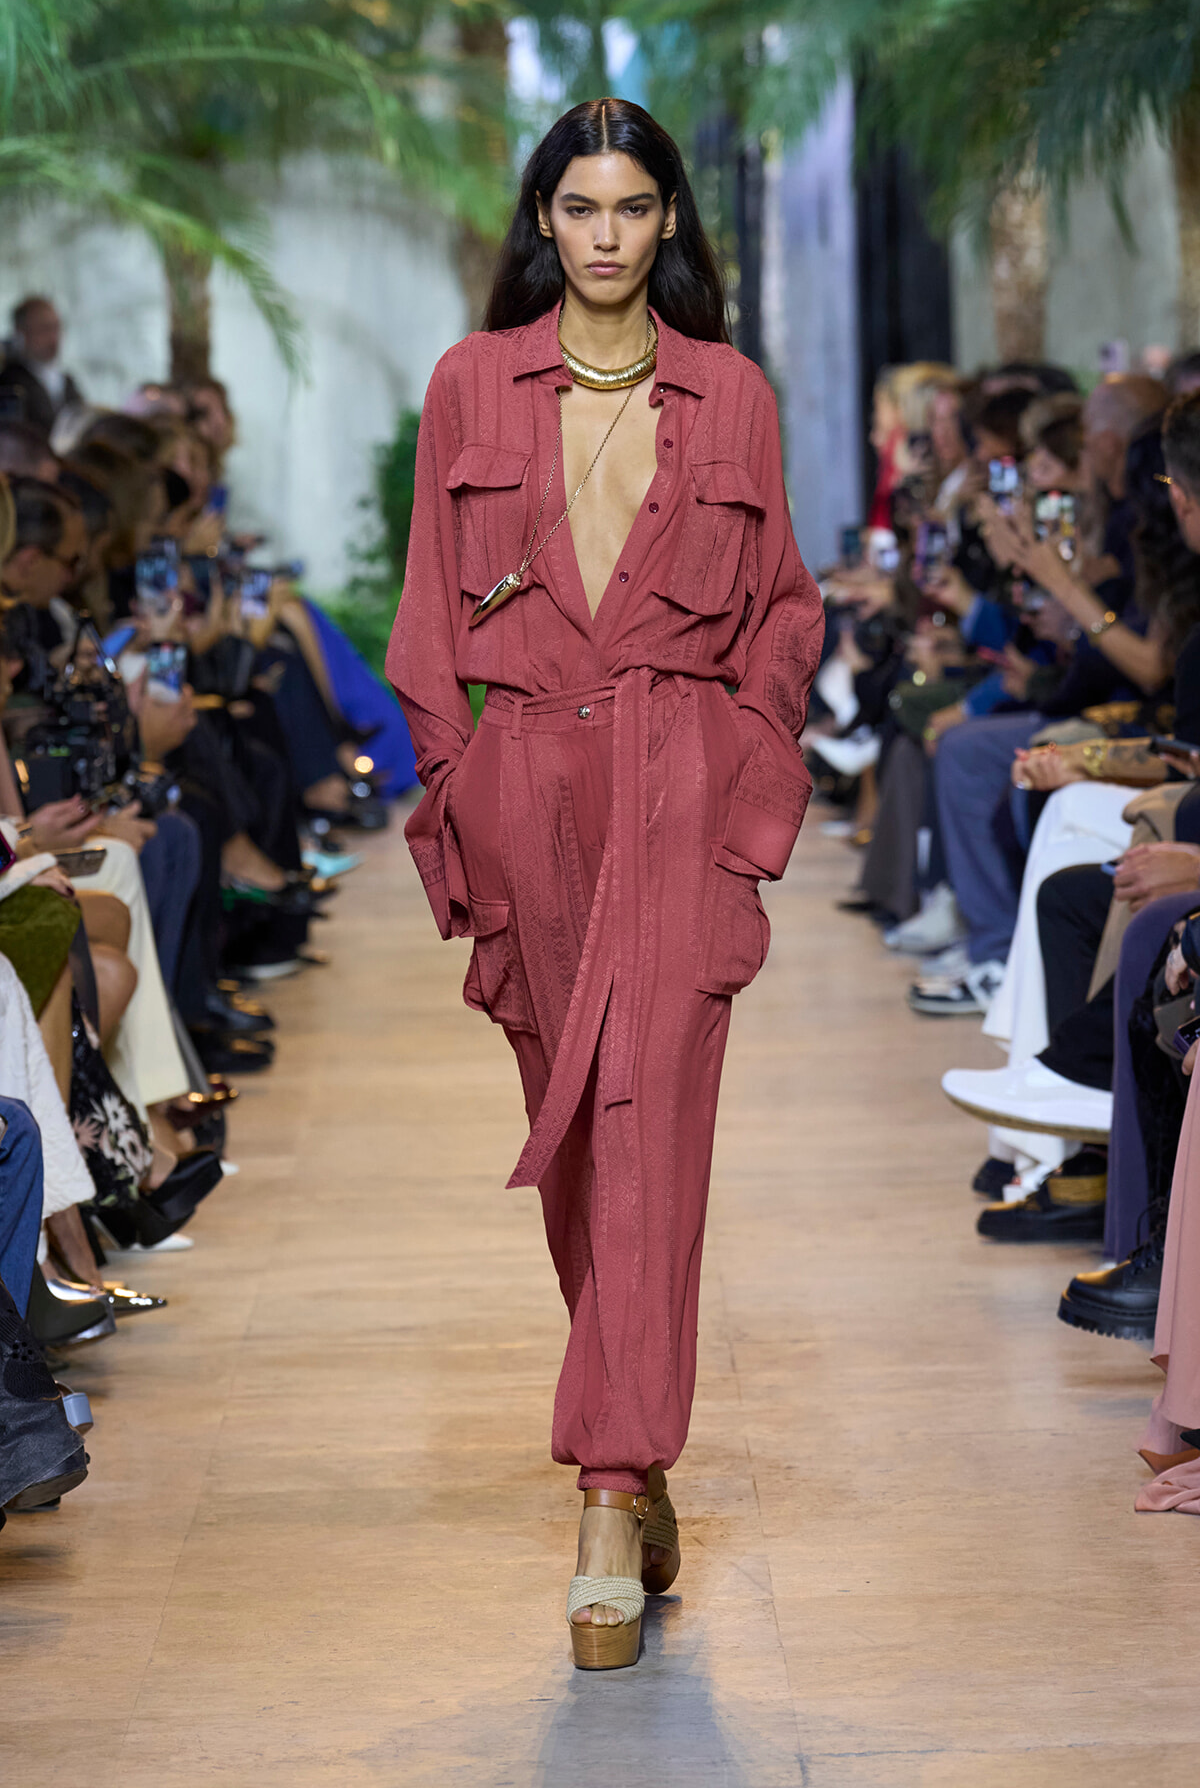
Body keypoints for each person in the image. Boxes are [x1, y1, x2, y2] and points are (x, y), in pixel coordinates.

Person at [387, 97, 823, 1671]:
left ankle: (608, 1480)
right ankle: (631, 1438)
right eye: (580, 207)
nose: (607, 235)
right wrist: (458, 798)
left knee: (652, 1122)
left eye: (634, 208)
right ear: (546, 223)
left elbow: (783, 608)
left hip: (677, 780)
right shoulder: (468, 387)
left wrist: (745, 775)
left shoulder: (732, 396)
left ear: (668, 225)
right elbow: (431, 624)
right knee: (577, 1145)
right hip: (528, 797)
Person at [0, 298, 83, 436]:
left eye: (56, 328)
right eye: (44, 329)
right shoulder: (9, 383)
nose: (53, 338)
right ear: (22, 333)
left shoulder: (66, 382)